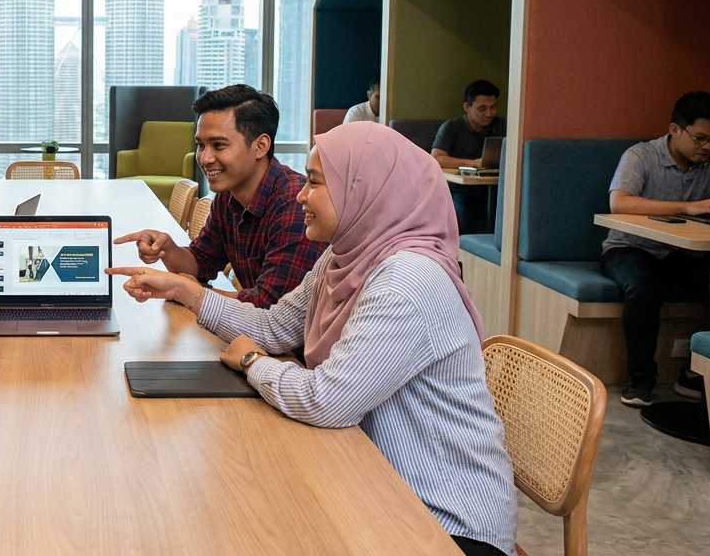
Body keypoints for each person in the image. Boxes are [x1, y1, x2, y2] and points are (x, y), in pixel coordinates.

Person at [108, 122, 517, 556]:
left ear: (366, 189)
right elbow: (273, 326)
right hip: (371, 482)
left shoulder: (406, 283)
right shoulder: (345, 257)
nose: (302, 194)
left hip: (441, 520)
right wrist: (186, 291)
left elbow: (327, 401)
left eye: (317, 183)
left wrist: (252, 363)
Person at [114, 84, 323, 309]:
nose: (204, 158)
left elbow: (271, 307)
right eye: (201, 145)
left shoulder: (295, 204)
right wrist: (168, 248)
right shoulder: (228, 196)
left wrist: (184, 290)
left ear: (260, 146)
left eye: (219, 145)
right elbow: (201, 262)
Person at [603, 91, 710, 407]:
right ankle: (641, 381)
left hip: (685, 252)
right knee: (642, 286)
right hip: (630, 248)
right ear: (675, 129)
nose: (708, 147)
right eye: (701, 138)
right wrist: (687, 208)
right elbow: (619, 202)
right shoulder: (641, 156)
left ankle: (700, 374)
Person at [432, 79, 506, 235]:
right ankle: (464, 256)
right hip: (460, 189)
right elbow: (437, 158)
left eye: (493, 107)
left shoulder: (502, 126)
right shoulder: (452, 127)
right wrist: (473, 163)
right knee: (461, 212)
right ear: (467, 107)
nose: (489, 114)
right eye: (482, 108)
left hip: (494, 190)